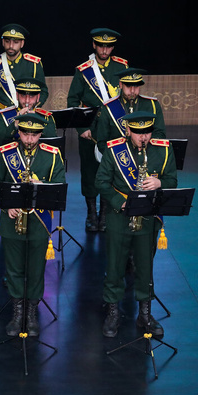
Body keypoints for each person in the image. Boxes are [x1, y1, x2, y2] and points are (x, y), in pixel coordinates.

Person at [95, 112, 177, 338]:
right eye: (138, 132)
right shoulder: (114, 150)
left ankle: (145, 313)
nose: (144, 137)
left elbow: (172, 180)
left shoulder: (163, 149)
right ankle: (112, 312)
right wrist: (119, 202)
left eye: (147, 132)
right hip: (119, 214)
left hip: (149, 215)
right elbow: (101, 182)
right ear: (128, 130)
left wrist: (160, 182)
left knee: (144, 265)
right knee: (115, 265)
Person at [0, 113, 65, 337]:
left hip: (40, 222)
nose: (30, 139)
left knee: (36, 269)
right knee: (14, 269)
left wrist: (44, 186)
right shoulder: (6, 154)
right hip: (12, 221)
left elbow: (60, 186)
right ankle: (17, 313)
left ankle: (31, 313)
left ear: (41, 134)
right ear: (19, 132)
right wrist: (5, 205)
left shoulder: (52, 155)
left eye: (34, 135)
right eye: (26, 134)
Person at [67, 28, 128, 232]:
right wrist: (81, 128)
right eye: (100, 45)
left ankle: (104, 215)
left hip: (115, 130)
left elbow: (127, 99)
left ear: (112, 47)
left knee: (112, 172)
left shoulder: (121, 67)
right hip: (91, 131)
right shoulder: (84, 69)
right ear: (94, 45)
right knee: (90, 173)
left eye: (108, 45)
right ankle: (91, 214)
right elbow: (73, 100)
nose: (104, 49)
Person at [0, 24, 48, 137]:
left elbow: (43, 91)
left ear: (22, 43)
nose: (11, 46)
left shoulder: (33, 64)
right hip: (1, 118)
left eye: (16, 42)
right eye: (8, 41)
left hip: (27, 115)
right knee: (1, 151)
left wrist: (33, 107)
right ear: (3, 42)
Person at [94, 68, 166, 156]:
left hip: (147, 157)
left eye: (136, 86)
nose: (132, 91)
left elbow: (160, 135)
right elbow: (102, 142)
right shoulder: (108, 108)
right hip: (119, 161)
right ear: (120, 85)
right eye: (128, 86)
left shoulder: (152, 105)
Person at [0, 77, 56, 149]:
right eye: (23, 96)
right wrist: (14, 125)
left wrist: (38, 122)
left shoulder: (46, 117)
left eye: (31, 96)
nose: (27, 101)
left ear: (38, 97)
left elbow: (54, 143)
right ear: (17, 96)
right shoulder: (4, 116)